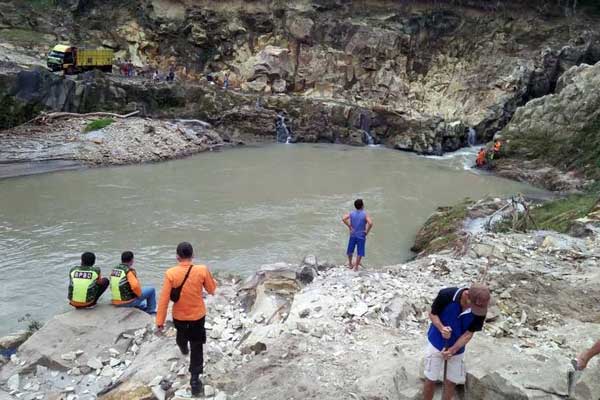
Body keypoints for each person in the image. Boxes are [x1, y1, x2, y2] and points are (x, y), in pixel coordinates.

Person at [156, 242, 217, 397]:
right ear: (192, 255)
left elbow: (163, 300)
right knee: (197, 345)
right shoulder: (201, 270)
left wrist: (160, 321)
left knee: (181, 336)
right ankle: (195, 380)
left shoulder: (170, 273)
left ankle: (183, 348)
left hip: (179, 317)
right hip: (197, 315)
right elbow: (211, 290)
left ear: (177, 257)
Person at [423, 283, 491, 400]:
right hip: (436, 342)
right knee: (430, 378)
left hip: (458, 348)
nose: (475, 310)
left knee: (451, 382)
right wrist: (441, 328)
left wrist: (452, 350)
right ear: (466, 294)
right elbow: (433, 314)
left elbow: (468, 334)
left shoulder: (480, 310)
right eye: (473, 305)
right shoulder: (447, 295)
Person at [342, 199, 373, 271]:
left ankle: (350, 264)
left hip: (353, 234)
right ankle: (356, 267)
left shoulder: (351, 213)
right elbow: (370, 223)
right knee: (360, 251)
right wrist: (366, 232)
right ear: (362, 205)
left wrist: (350, 226)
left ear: (355, 206)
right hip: (361, 235)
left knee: (350, 250)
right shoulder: (365, 214)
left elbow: (343, 219)